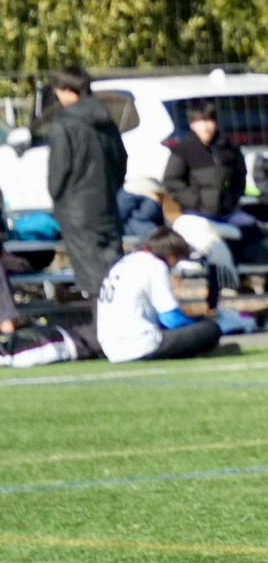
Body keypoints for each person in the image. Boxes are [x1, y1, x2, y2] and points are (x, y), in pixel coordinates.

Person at [45, 66, 127, 301]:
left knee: (92, 278)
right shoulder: (107, 122)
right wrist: (112, 187)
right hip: (107, 205)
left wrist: (57, 196)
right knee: (115, 271)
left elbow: (58, 171)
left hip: (76, 211)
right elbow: (121, 160)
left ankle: (101, 321)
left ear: (68, 90)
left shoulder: (64, 124)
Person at [95, 225, 223, 363]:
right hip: (140, 344)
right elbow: (171, 319)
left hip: (111, 349)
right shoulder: (155, 266)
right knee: (211, 329)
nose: (175, 265)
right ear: (171, 255)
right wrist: (195, 324)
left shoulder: (124, 262)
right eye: (178, 259)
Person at [162, 99, 250, 227]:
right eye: (199, 121)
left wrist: (231, 200)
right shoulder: (183, 150)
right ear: (192, 124)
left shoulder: (229, 149)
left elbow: (240, 177)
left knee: (250, 228)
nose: (205, 127)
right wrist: (195, 201)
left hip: (227, 213)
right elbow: (171, 181)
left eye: (209, 120)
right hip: (195, 213)